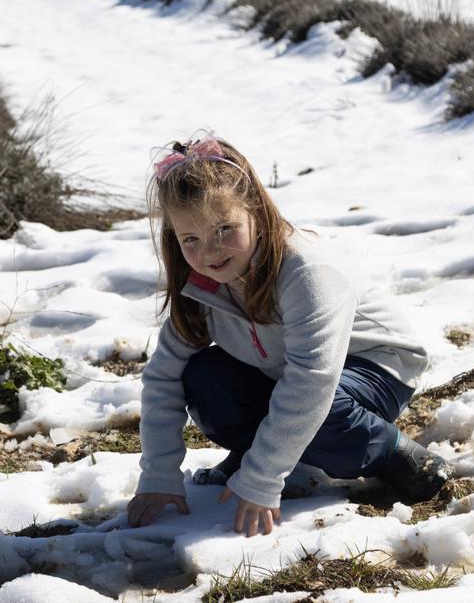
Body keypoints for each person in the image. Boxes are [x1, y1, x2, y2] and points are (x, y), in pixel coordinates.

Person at [126, 131, 451, 538]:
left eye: (224, 229)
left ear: (256, 212)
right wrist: (158, 475)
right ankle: (264, 453)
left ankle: (393, 454)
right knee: (202, 376)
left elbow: (311, 382)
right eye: (190, 239)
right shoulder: (201, 287)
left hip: (374, 365)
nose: (209, 252)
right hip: (285, 372)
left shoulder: (307, 272)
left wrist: (262, 480)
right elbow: (161, 379)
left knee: (324, 413)